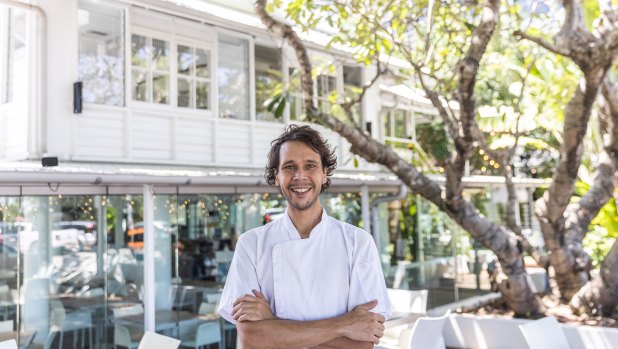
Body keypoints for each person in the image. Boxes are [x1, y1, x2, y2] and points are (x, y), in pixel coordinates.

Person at [218, 125, 390, 349]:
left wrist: (273, 325)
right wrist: (344, 325)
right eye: (289, 167)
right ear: (276, 176)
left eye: (310, 166)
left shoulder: (357, 243)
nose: (300, 176)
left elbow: (362, 343)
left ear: (324, 173)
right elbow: (252, 338)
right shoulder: (252, 244)